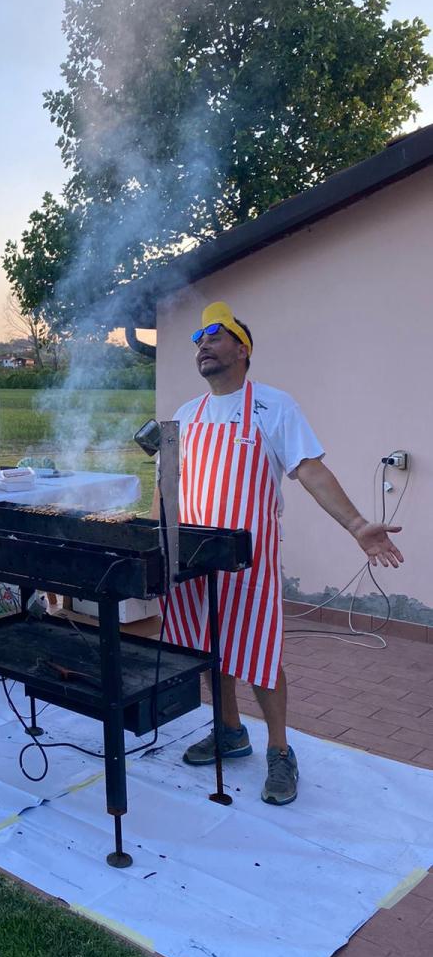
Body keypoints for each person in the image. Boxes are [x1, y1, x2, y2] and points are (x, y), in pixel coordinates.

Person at [154, 301, 403, 805]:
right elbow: (168, 483)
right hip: (195, 556)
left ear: (242, 350)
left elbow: (310, 469)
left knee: (260, 652)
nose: (203, 345)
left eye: (215, 336)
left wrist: (357, 525)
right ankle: (229, 731)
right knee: (212, 647)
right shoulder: (185, 414)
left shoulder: (273, 406)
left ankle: (280, 749)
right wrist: (158, 538)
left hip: (250, 558)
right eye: (198, 339)